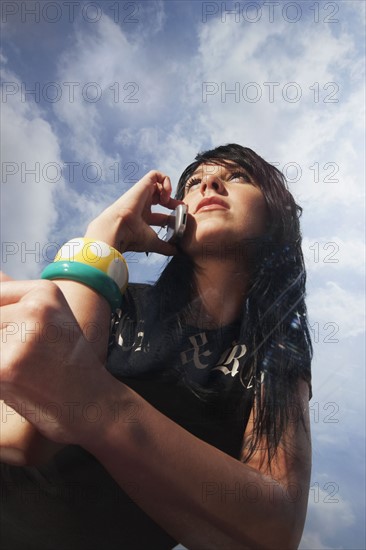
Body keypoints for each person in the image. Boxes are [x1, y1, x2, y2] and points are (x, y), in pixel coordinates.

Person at [0, 144, 312, 549]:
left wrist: (100, 402)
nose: (210, 183)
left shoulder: (277, 357)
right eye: (194, 183)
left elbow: (274, 529)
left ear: (276, 215)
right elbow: (22, 430)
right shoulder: (118, 297)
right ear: (177, 219)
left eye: (238, 177)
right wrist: (105, 233)